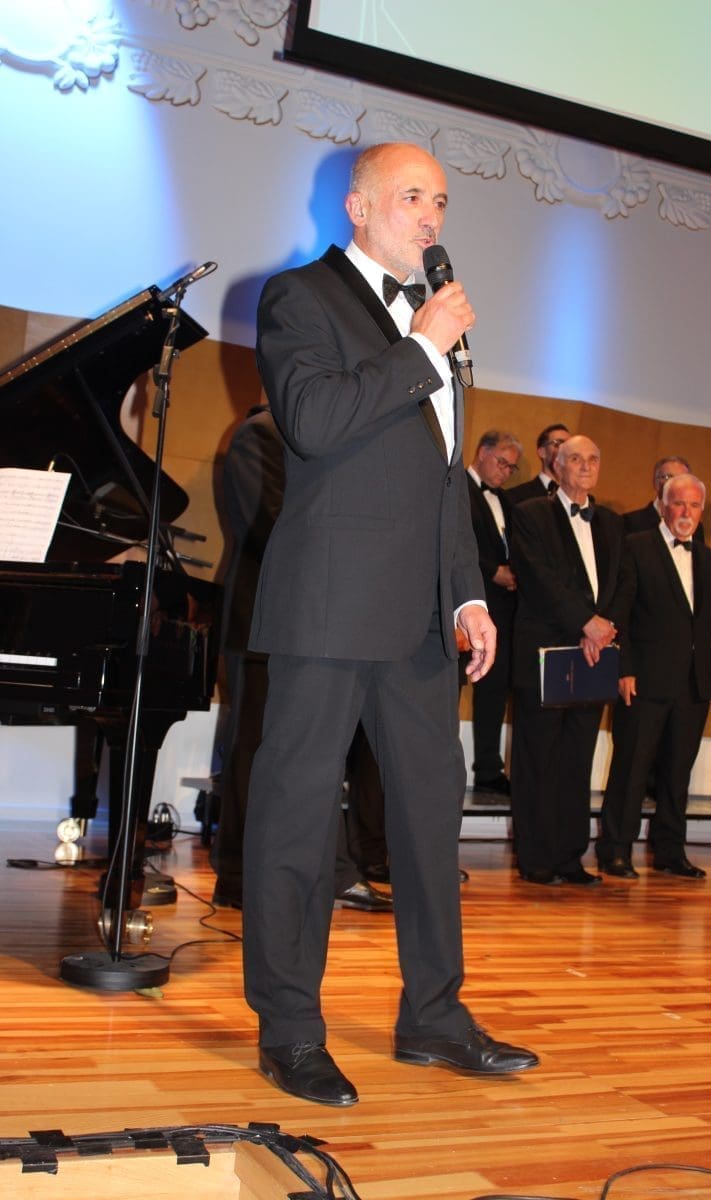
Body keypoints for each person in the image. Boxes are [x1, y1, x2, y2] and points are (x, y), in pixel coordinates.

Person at [245, 141, 539, 1107]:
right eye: (412, 196)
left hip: (418, 622)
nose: (432, 217)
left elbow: (443, 479)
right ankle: (291, 1031)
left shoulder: (433, 324)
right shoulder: (300, 299)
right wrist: (420, 348)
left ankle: (435, 1017)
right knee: (296, 824)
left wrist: (466, 594)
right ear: (359, 206)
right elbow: (314, 422)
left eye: (441, 201)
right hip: (328, 608)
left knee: (427, 824)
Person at [212, 404, 392, 914]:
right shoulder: (259, 435)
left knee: (296, 752)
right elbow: (273, 524)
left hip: (308, 619)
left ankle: (305, 874)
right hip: (262, 620)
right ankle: (241, 879)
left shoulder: (311, 434)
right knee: (254, 749)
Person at [509, 435, 628, 886]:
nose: (585, 466)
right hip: (547, 652)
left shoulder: (612, 523)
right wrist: (585, 623)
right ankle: (536, 858)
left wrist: (604, 627)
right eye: (575, 458)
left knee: (578, 759)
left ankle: (569, 857)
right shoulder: (530, 514)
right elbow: (539, 579)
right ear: (557, 466)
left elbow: (623, 583)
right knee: (538, 758)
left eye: (593, 459)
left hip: (595, 653)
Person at [596, 474, 711, 879]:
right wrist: (625, 668)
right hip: (644, 680)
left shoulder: (708, 558)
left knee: (677, 773)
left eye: (695, 505)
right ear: (663, 506)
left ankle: (670, 852)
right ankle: (615, 849)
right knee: (631, 769)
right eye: (679, 503)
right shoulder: (636, 546)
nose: (687, 512)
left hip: (693, 686)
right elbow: (621, 613)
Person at [465, 430, 522, 795]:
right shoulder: (457, 489)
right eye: (502, 462)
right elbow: (457, 543)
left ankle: (488, 768)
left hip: (503, 611)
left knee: (495, 692)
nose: (505, 472)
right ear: (482, 452)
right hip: (467, 605)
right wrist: (493, 571)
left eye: (512, 467)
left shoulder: (507, 501)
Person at [623, 455, 706, 542]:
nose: (675, 483)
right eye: (668, 477)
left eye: (681, 478)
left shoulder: (696, 527)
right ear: (656, 483)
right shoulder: (630, 522)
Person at [506, 422, 569, 505]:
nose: (565, 451)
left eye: (569, 446)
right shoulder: (515, 496)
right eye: (558, 444)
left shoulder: (578, 497)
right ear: (542, 452)